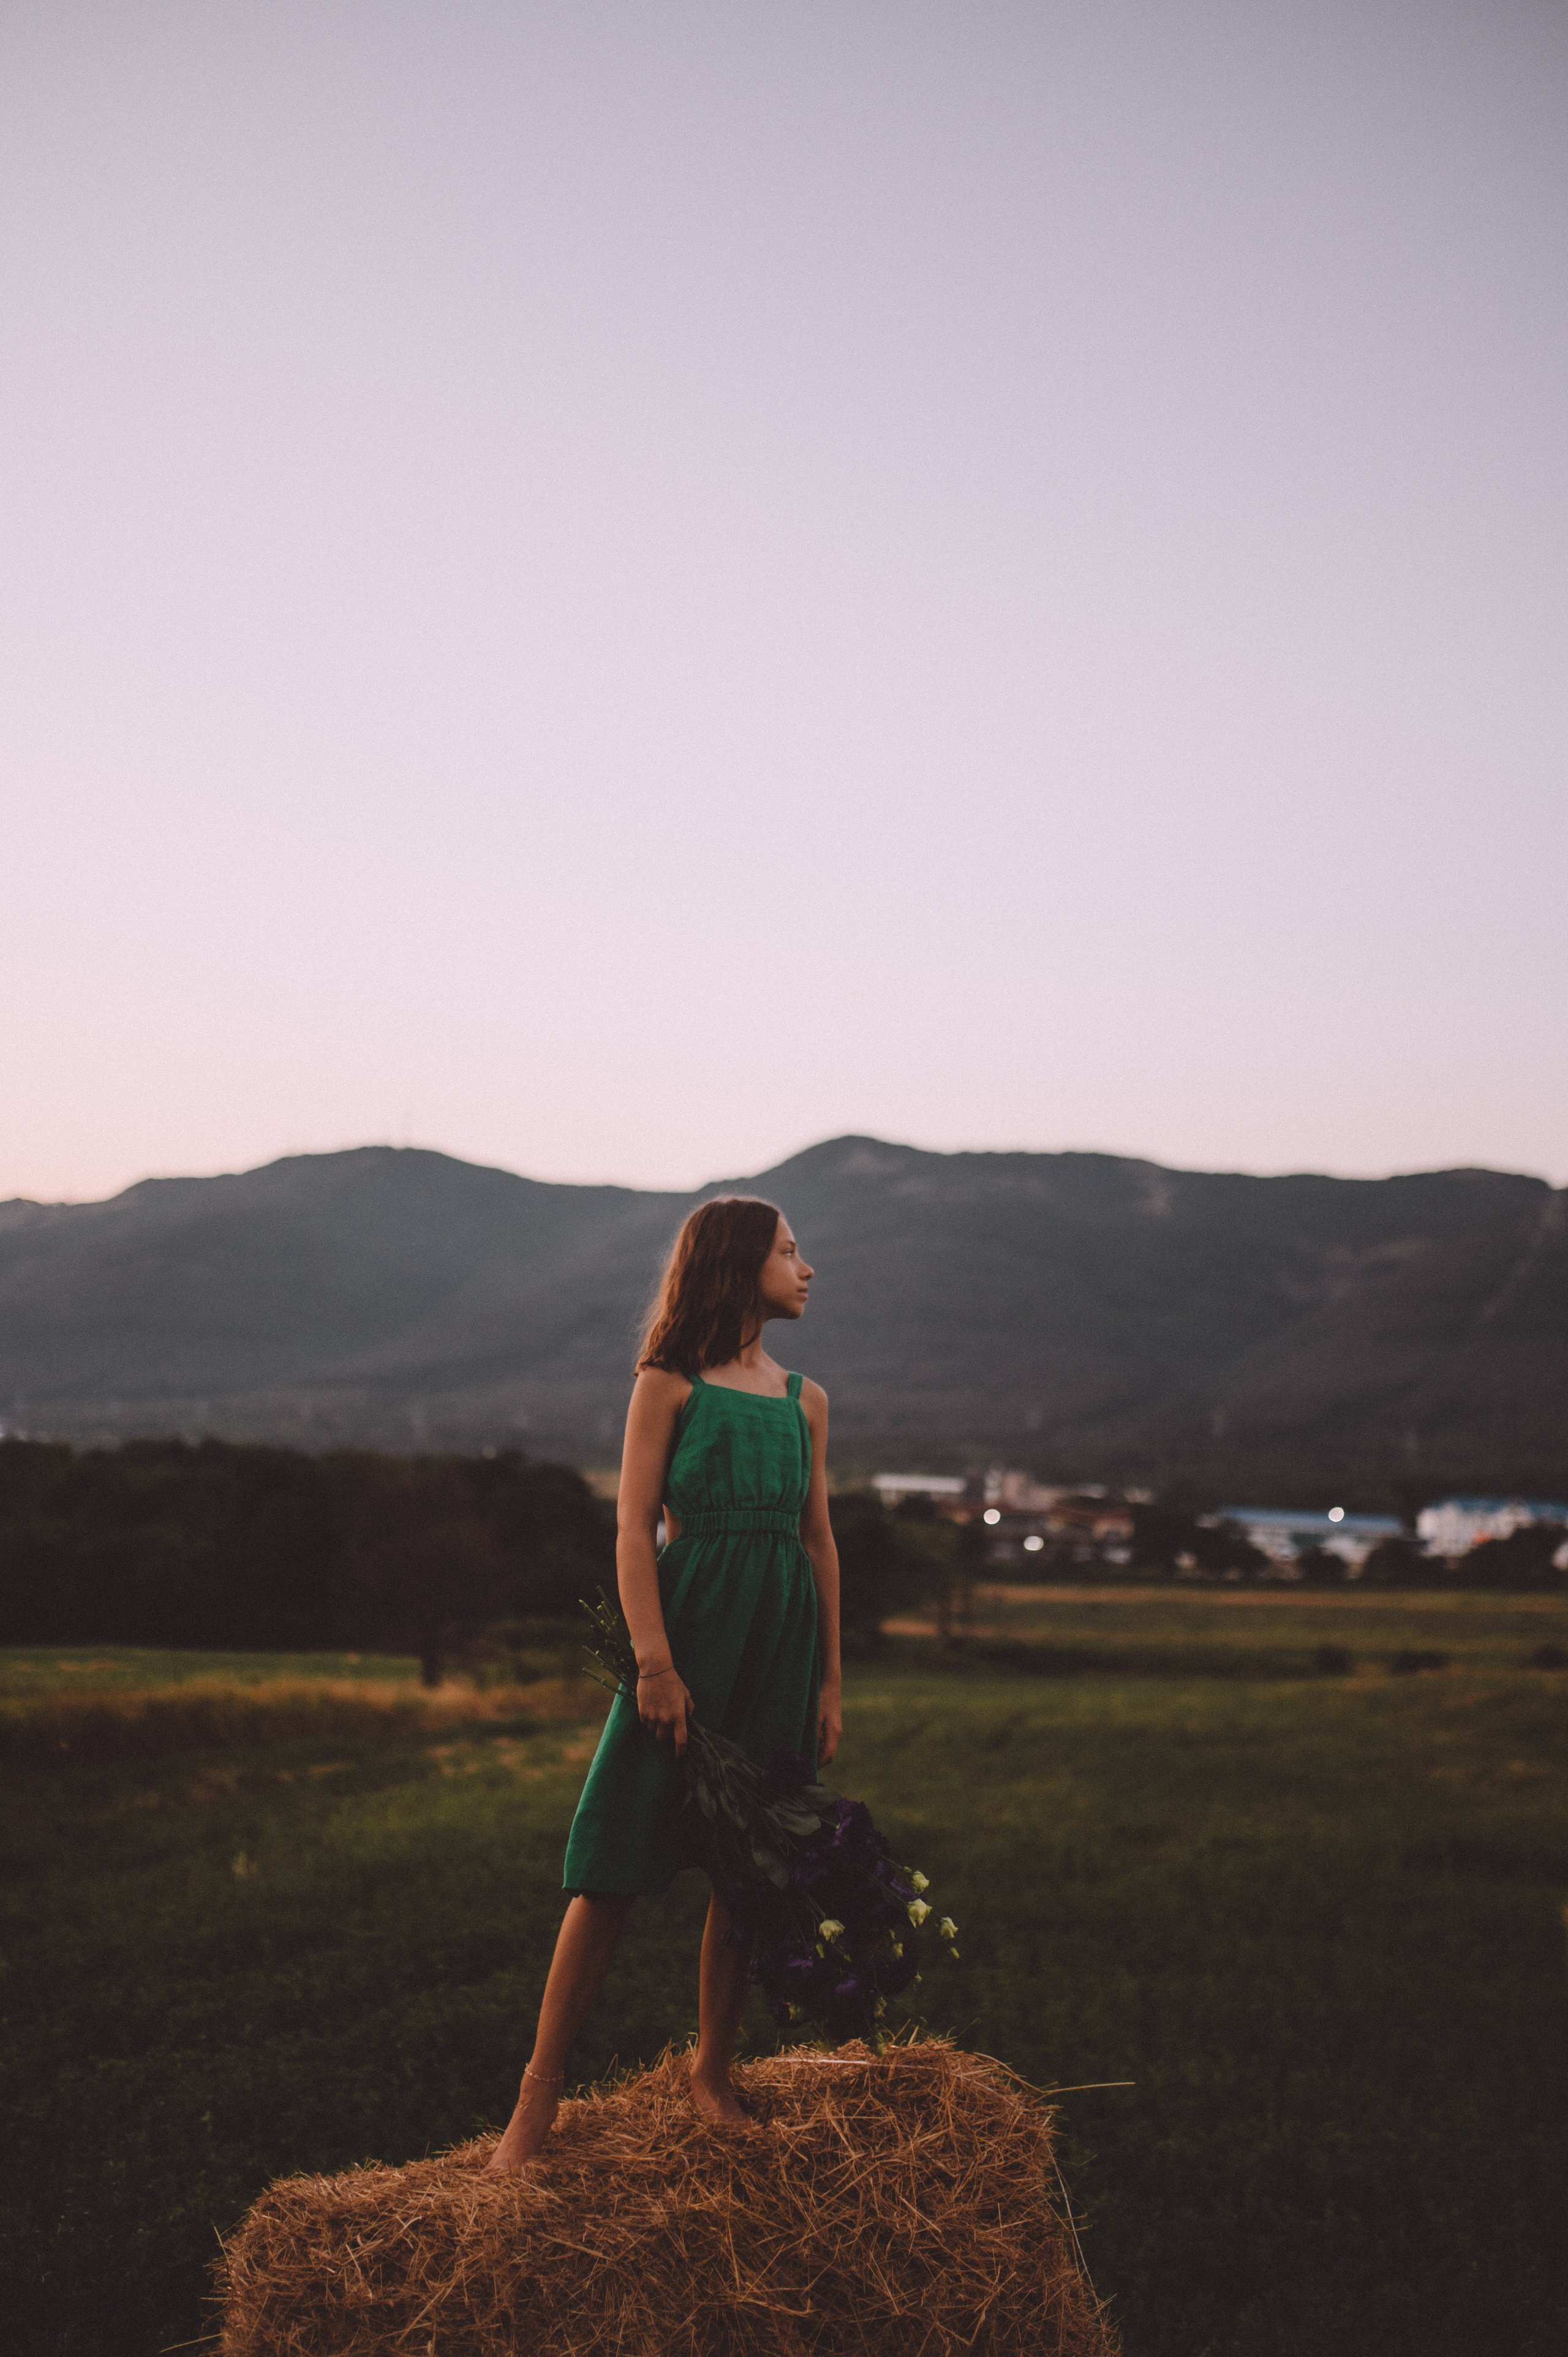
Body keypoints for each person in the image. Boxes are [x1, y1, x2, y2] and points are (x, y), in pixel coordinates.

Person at [484, 1196, 842, 2170]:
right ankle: (537, 2100)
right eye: (790, 1250)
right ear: (738, 1263)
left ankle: (711, 2076)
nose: (807, 1268)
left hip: (778, 1651)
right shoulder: (667, 1384)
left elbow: (818, 1542)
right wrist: (654, 1662)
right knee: (610, 1868)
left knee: (749, 1872)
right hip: (687, 1642)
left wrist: (829, 1684)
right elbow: (633, 1525)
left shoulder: (805, 1400)